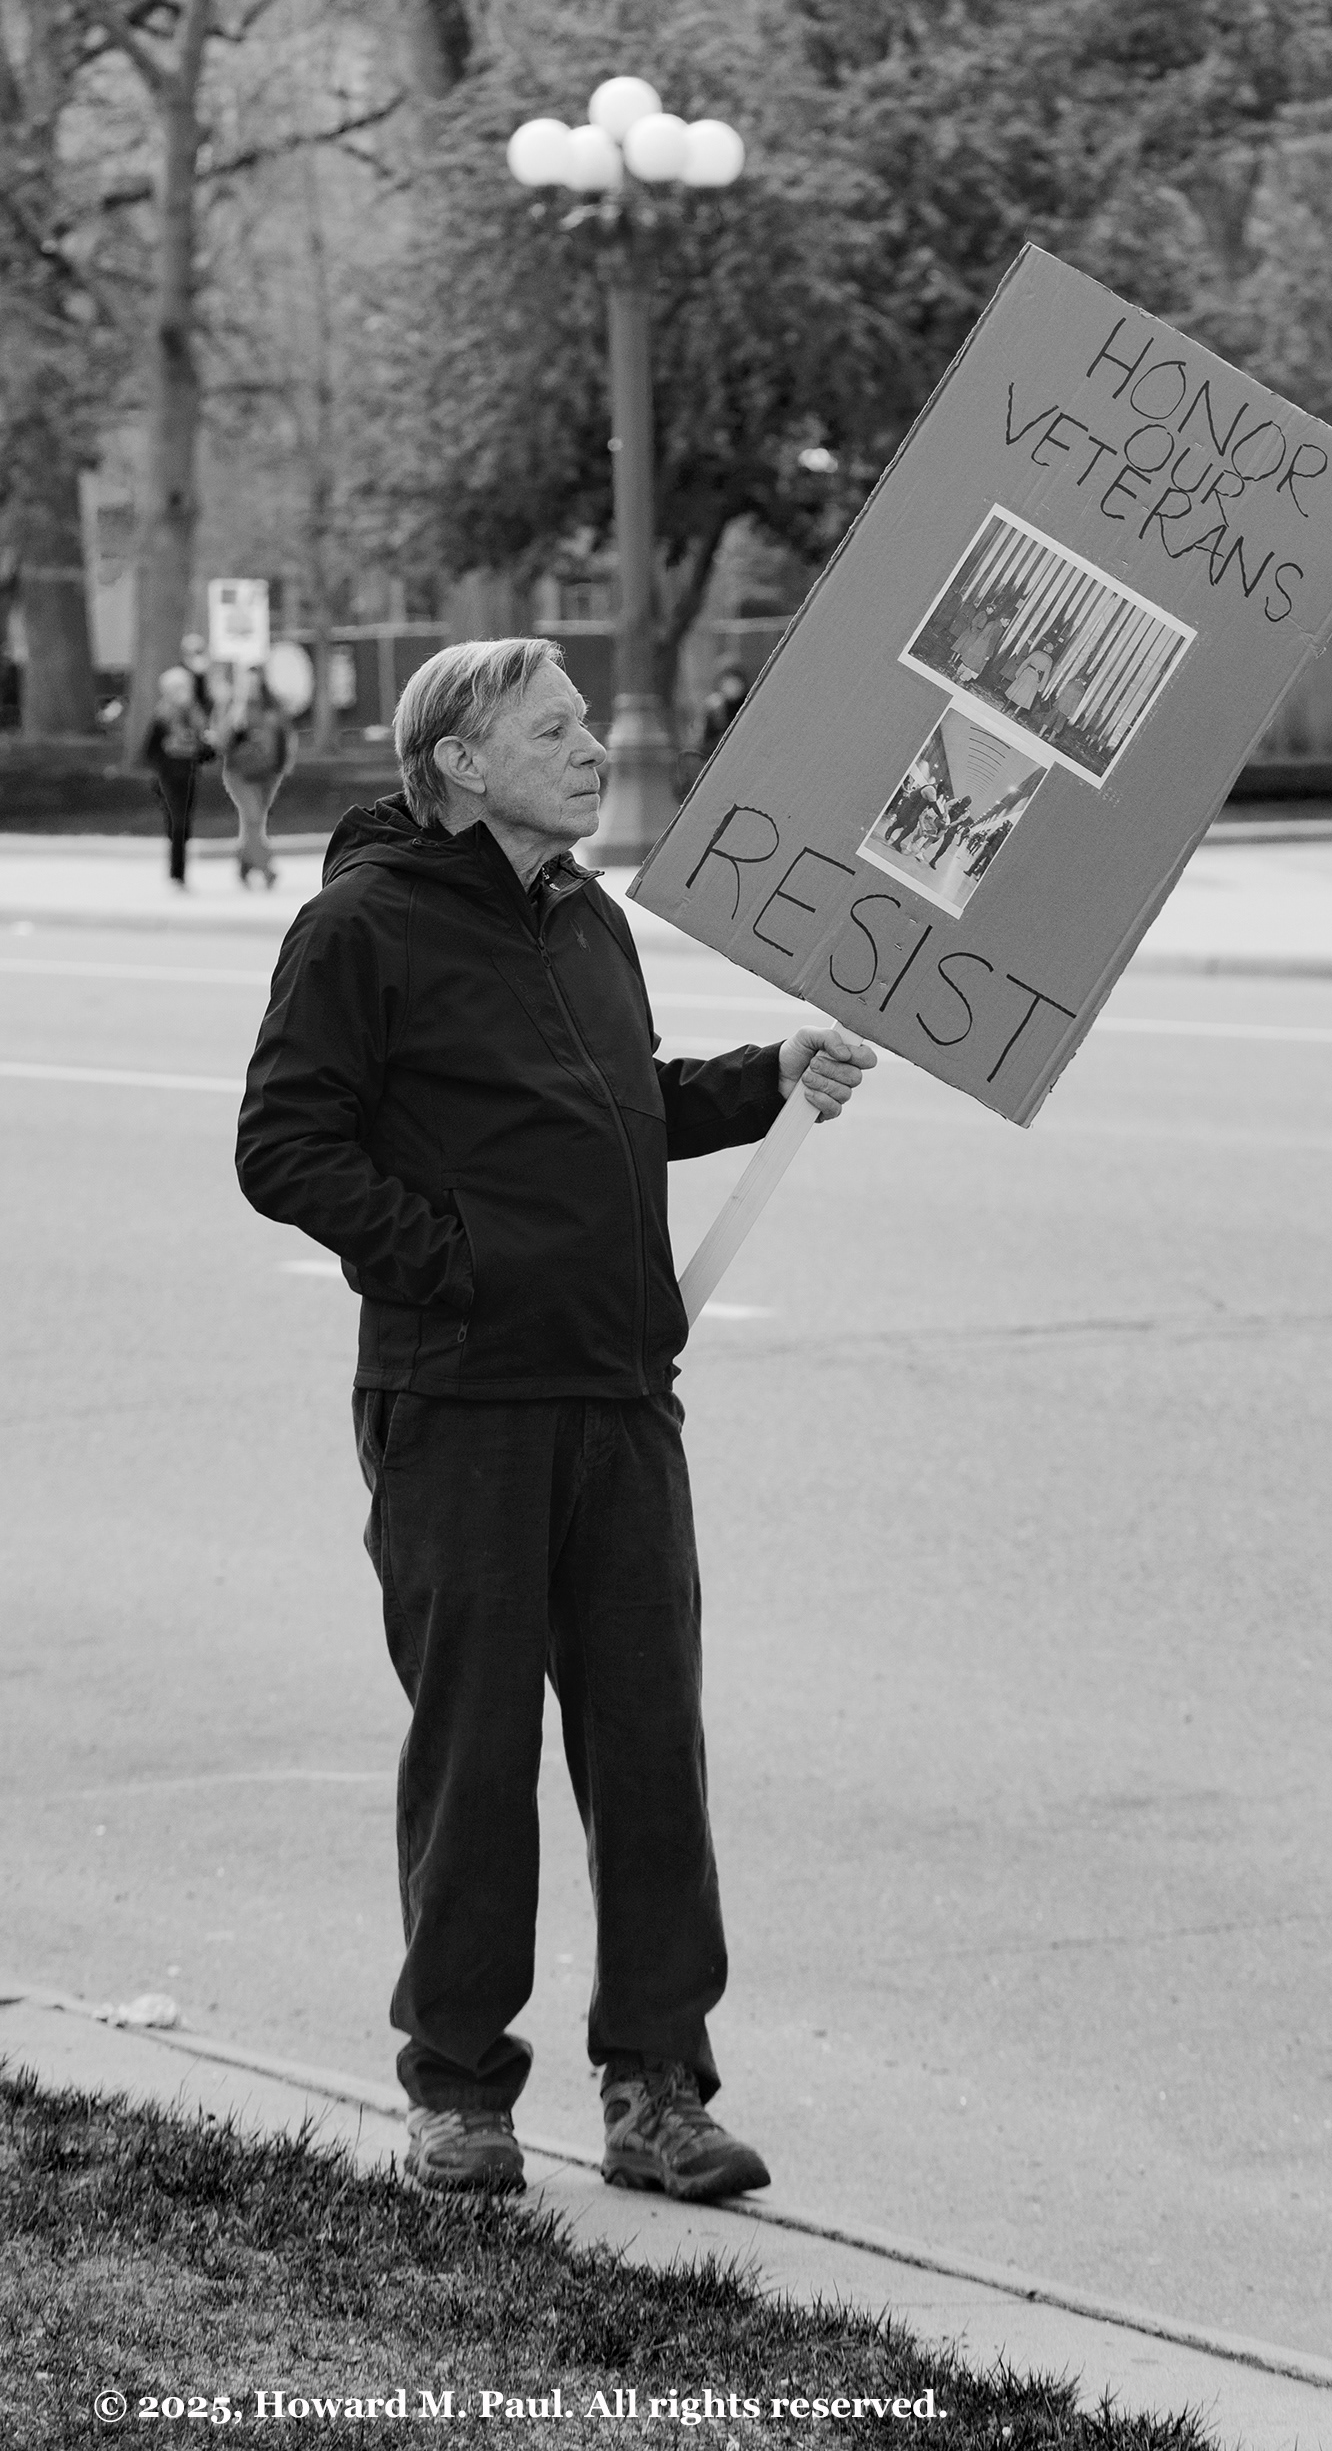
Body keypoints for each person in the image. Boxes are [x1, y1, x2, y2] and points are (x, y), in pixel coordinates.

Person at [235, 637, 875, 2204]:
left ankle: (656, 2090)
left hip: (618, 1396)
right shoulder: (361, 927)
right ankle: (457, 2092)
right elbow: (282, 1146)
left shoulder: (585, 918)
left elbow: (620, 1102)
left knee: (651, 1753)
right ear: (457, 759)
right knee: (474, 1756)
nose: (594, 746)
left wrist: (766, 1076)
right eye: (557, 726)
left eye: (589, 721)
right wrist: (453, 1263)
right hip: (461, 1403)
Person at [217, 666, 294, 887]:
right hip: (239, 773)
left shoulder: (272, 706)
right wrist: (235, 715)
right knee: (251, 818)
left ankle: (244, 865)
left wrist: (283, 765)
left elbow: (284, 736)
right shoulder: (232, 706)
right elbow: (221, 742)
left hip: (268, 773)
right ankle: (266, 868)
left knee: (255, 823)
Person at [140, 665, 214, 885]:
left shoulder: (195, 715)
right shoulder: (162, 717)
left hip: (189, 775)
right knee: (178, 822)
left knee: (184, 825)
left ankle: (178, 871)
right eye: (175, 688)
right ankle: (177, 873)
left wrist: (198, 749)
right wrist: (167, 755)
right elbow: (149, 752)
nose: (180, 692)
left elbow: (207, 753)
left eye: (183, 687)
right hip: (168, 777)